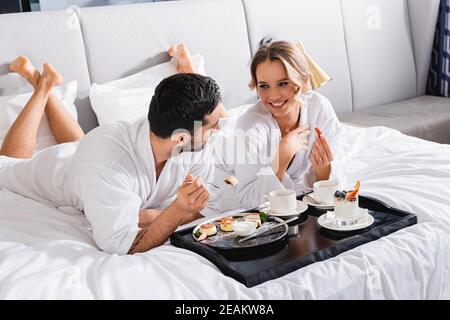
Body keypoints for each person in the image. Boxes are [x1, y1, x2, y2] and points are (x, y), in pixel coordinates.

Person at [0, 56, 223, 255]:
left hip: (89, 157)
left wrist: (151, 215)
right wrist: (174, 212)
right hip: (56, 172)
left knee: (81, 144)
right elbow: (126, 244)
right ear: (181, 138)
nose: (219, 129)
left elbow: (204, 212)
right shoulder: (106, 163)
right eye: (212, 125)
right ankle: (42, 88)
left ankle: (45, 83)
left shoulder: (193, 146)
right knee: (8, 163)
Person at [169, 41, 343, 211]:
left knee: (227, 121)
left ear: (304, 81)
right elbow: (249, 200)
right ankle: (190, 71)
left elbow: (335, 181)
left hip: (241, 129)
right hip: (221, 155)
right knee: (217, 124)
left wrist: (323, 170)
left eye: (283, 83)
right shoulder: (249, 125)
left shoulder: (319, 108)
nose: (273, 95)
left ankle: (190, 68)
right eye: (264, 86)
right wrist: (281, 158)